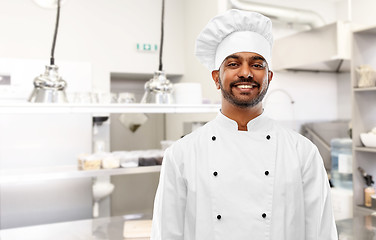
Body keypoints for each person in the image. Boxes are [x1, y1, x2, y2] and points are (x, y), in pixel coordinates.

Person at [151, 9, 338, 240]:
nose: (246, 73)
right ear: (216, 78)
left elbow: (321, 233)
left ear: (269, 78)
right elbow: (166, 234)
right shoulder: (181, 156)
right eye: (233, 64)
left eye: (257, 64)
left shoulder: (303, 153)